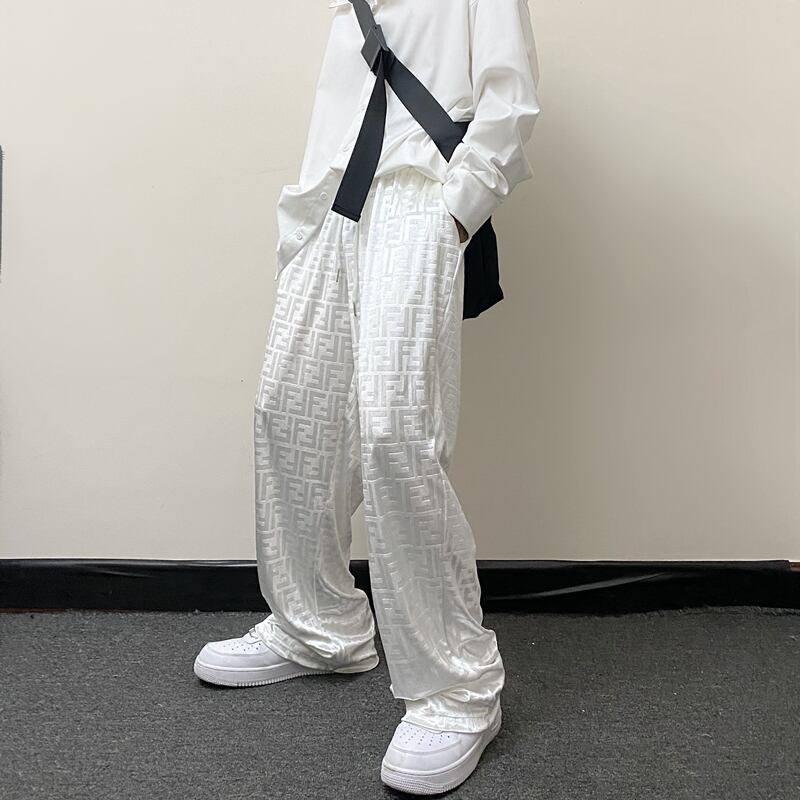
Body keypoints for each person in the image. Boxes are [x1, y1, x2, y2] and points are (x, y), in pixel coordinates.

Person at [193, 0, 540, 793]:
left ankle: (457, 690)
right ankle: (317, 627)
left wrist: (458, 210)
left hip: (420, 192)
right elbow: (345, 92)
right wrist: (303, 216)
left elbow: (511, 94)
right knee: (288, 407)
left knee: (393, 429)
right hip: (333, 201)